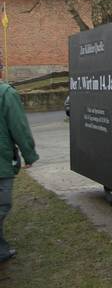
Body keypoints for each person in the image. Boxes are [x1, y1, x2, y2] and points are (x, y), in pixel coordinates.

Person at [0, 80, 39, 263]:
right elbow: (19, 127)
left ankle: (1, 250)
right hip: (1, 164)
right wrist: (29, 155)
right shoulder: (5, 93)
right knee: (2, 206)